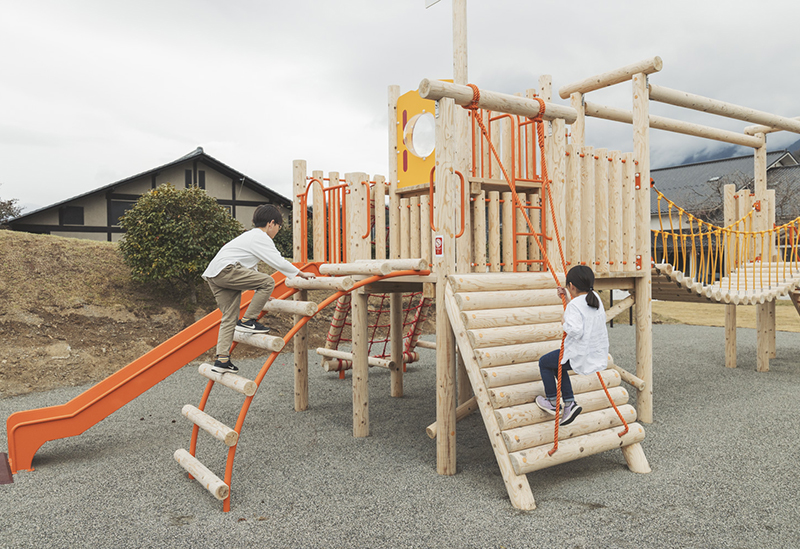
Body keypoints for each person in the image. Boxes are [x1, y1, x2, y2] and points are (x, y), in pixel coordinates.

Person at [202, 204, 314, 374]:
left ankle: (222, 360)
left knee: (229, 317)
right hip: (226, 270)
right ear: (271, 223)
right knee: (269, 281)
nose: (277, 230)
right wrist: (299, 273)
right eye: (278, 226)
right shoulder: (261, 237)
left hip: (214, 275)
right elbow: (277, 260)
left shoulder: (248, 237)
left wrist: (259, 291)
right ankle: (248, 321)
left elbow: (250, 269)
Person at [535, 265, 609, 426]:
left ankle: (553, 401)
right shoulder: (595, 297)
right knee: (558, 365)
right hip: (594, 352)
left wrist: (565, 322)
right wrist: (568, 300)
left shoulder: (575, 306)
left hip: (579, 354)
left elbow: (575, 330)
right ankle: (569, 403)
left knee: (545, 363)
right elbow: (583, 312)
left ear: (571, 286)